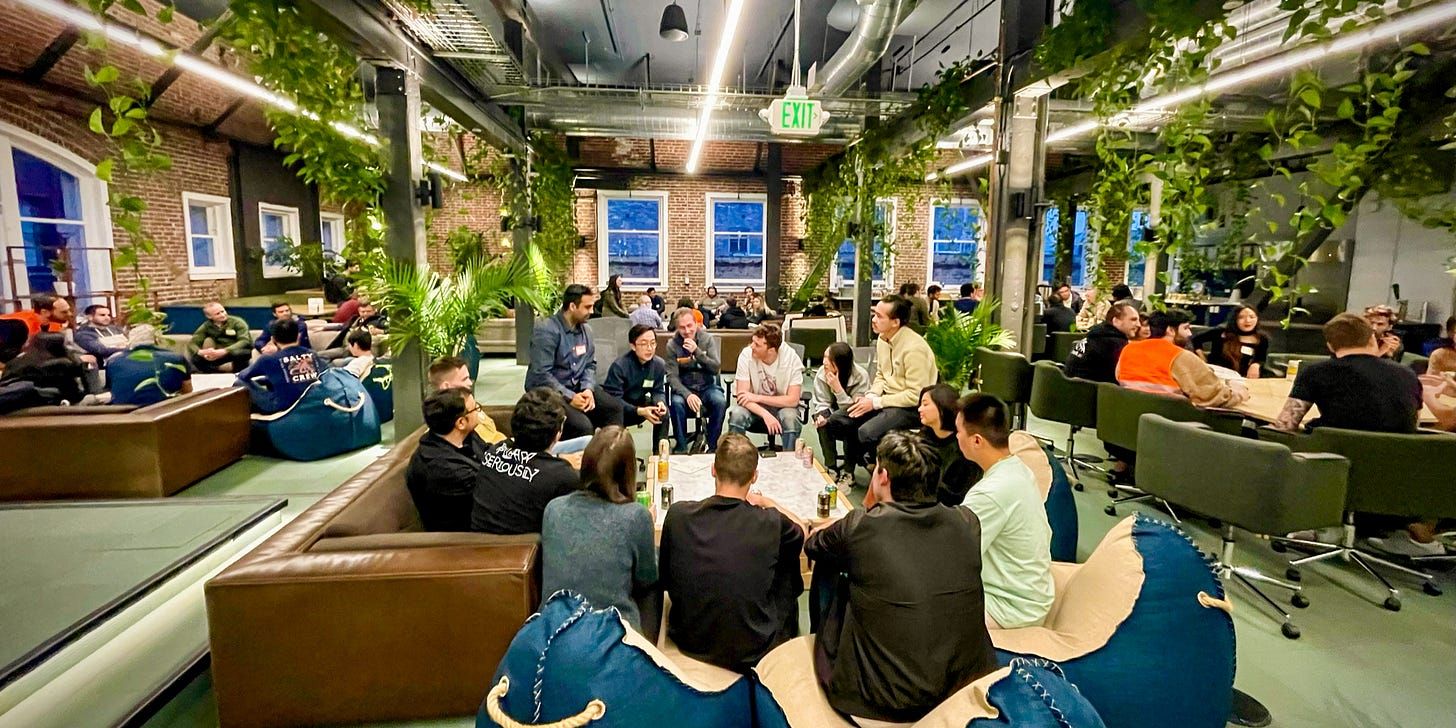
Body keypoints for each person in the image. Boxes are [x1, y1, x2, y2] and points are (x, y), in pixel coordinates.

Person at [806, 431, 998, 723]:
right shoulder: (967, 521)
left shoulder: (860, 526)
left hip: (880, 702)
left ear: (883, 476)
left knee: (830, 564)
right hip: (962, 688)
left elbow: (813, 545)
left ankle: (818, 639)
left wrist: (864, 512)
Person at [659, 433, 806, 672]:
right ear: (754, 476)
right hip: (753, 647)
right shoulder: (770, 522)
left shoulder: (678, 515)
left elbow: (666, 580)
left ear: (713, 470)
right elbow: (801, 532)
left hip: (689, 639)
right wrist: (765, 501)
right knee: (786, 564)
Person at [540, 426, 657, 631]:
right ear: (628, 472)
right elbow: (647, 578)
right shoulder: (637, 516)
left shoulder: (553, 508)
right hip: (608, 632)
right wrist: (648, 528)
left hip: (552, 627)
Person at [955, 393, 1055, 629]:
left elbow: (955, 556)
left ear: (976, 440)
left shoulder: (990, 493)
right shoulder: (1017, 468)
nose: (956, 436)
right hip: (1030, 596)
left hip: (1010, 608)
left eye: (958, 431)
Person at [828, 295, 936, 471]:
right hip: (885, 399)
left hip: (911, 408)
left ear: (895, 322)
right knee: (839, 420)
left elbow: (916, 395)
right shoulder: (883, 339)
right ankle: (863, 464)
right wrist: (871, 396)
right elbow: (881, 375)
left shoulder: (915, 349)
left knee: (866, 432)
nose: (873, 319)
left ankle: (871, 465)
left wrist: (875, 403)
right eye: (874, 314)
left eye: (879, 316)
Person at [1273, 313, 1421, 433]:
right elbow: (1414, 424)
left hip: (1333, 453)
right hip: (1398, 456)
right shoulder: (1408, 374)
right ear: (1372, 339)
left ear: (1330, 346)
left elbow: (1285, 426)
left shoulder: (1316, 372)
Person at [472, 387, 580, 534]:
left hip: (478, 539)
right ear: (558, 432)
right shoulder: (563, 476)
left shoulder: (494, 450)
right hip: (524, 544)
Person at [526, 284, 624, 440]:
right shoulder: (547, 330)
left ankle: (611, 453)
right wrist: (570, 397)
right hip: (549, 392)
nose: (592, 311)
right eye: (587, 307)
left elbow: (590, 365)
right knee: (582, 426)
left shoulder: (587, 331)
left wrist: (587, 389)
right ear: (572, 306)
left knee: (614, 408)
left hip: (578, 387)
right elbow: (541, 375)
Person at [1116, 309, 1249, 408]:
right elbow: (1214, 396)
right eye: (1186, 328)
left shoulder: (1128, 350)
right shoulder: (1180, 356)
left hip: (1134, 419)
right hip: (1172, 422)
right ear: (1170, 330)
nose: (1190, 334)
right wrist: (1237, 392)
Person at [406, 386, 487, 532]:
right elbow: (491, 495)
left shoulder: (465, 436)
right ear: (461, 423)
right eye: (476, 409)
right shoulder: (447, 471)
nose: (479, 412)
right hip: (466, 537)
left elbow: (489, 451)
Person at [728, 323, 804, 451]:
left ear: (771, 350)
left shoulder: (791, 358)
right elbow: (741, 397)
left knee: (790, 418)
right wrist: (765, 414)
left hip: (782, 408)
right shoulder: (746, 355)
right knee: (737, 415)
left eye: (757, 345)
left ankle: (789, 459)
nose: (752, 346)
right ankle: (736, 457)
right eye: (752, 342)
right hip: (754, 408)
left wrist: (758, 397)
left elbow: (793, 400)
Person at [234, 317, 328, 414]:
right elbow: (325, 373)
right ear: (299, 335)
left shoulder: (268, 359)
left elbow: (242, 375)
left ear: (273, 339)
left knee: (239, 382)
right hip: (313, 401)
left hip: (281, 406)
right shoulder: (312, 354)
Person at [665, 307, 727, 453]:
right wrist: (688, 395)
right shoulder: (672, 345)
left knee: (720, 401)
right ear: (677, 328)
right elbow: (672, 377)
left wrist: (697, 352)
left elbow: (715, 368)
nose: (687, 331)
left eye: (689, 326)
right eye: (682, 327)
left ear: (696, 324)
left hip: (707, 387)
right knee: (676, 403)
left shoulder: (707, 339)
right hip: (685, 388)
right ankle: (681, 447)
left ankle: (712, 446)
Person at [811, 342, 870, 486]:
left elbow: (854, 410)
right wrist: (822, 416)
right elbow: (821, 402)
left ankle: (849, 472)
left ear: (839, 362)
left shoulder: (860, 376)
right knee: (822, 424)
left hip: (855, 420)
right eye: (824, 356)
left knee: (849, 424)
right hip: (832, 418)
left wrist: (838, 389)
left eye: (828, 358)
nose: (824, 361)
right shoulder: (822, 374)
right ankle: (831, 468)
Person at [603, 324, 669, 444]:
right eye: (643, 344)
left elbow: (658, 390)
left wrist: (660, 402)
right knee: (616, 415)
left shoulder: (659, 365)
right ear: (633, 346)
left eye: (653, 343)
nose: (649, 348)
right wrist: (639, 411)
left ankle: (659, 451)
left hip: (641, 404)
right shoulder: (620, 366)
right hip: (619, 409)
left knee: (663, 413)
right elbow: (614, 401)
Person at [919, 384, 981, 506]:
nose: (920, 409)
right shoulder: (922, 438)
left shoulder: (964, 447)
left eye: (925, 404)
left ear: (942, 406)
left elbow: (957, 494)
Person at [428, 356, 506, 445]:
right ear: (446, 386)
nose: (470, 383)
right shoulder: (450, 426)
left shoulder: (469, 402)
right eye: (464, 379)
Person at [106, 325, 192, 406]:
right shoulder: (176, 358)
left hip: (123, 412)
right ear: (156, 340)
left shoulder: (113, 361)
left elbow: (112, 390)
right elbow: (187, 391)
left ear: (129, 341)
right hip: (165, 410)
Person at [1, 332, 86, 404]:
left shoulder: (15, 362)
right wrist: (84, 365)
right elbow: (74, 394)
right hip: (35, 404)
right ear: (58, 346)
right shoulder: (62, 364)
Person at [1066, 302, 1140, 383]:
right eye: (1133, 320)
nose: (1138, 325)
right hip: (1092, 389)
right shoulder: (1115, 345)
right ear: (1116, 321)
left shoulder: (1095, 337)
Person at [1193, 305, 1269, 378]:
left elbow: (1261, 358)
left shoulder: (1262, 339)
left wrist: (1256, 365)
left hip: (1244, 377)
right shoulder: (1221, 332)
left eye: (1252, 317)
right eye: (1241, 317)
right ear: (1234, 319)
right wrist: (1202, 358)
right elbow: (1196, 340)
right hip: (1217, 375)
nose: (1247, 321)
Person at [187, 301, 252, 373]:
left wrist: (225, 351)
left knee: (242, 354)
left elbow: (244, 341)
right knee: (196, 359)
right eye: (218, 314)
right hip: (218, 353)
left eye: (223, 311)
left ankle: (238, 373)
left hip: (235, 351)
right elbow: (192, 343)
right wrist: (201, 352)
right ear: (209, 316)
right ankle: (216, 372)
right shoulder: (207, 326)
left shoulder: (237, 322)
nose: (222, 315)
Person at [320, 300, 385, 361]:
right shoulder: (354, 319)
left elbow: (389, 330)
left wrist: (380, 331)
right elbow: (342, 326)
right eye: (363, 312)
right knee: (319, 355)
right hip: (345, 348)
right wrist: (325, 328)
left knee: (336, 362)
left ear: (374, 311)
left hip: (359, 354)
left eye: (368, 311)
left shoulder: (379, 321)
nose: (365, 314)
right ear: (359, 311)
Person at [0, 294, 69, 341]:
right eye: (64, 312)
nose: (70, 314)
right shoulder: (21, 325)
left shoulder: (54, 323)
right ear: (45, 312)